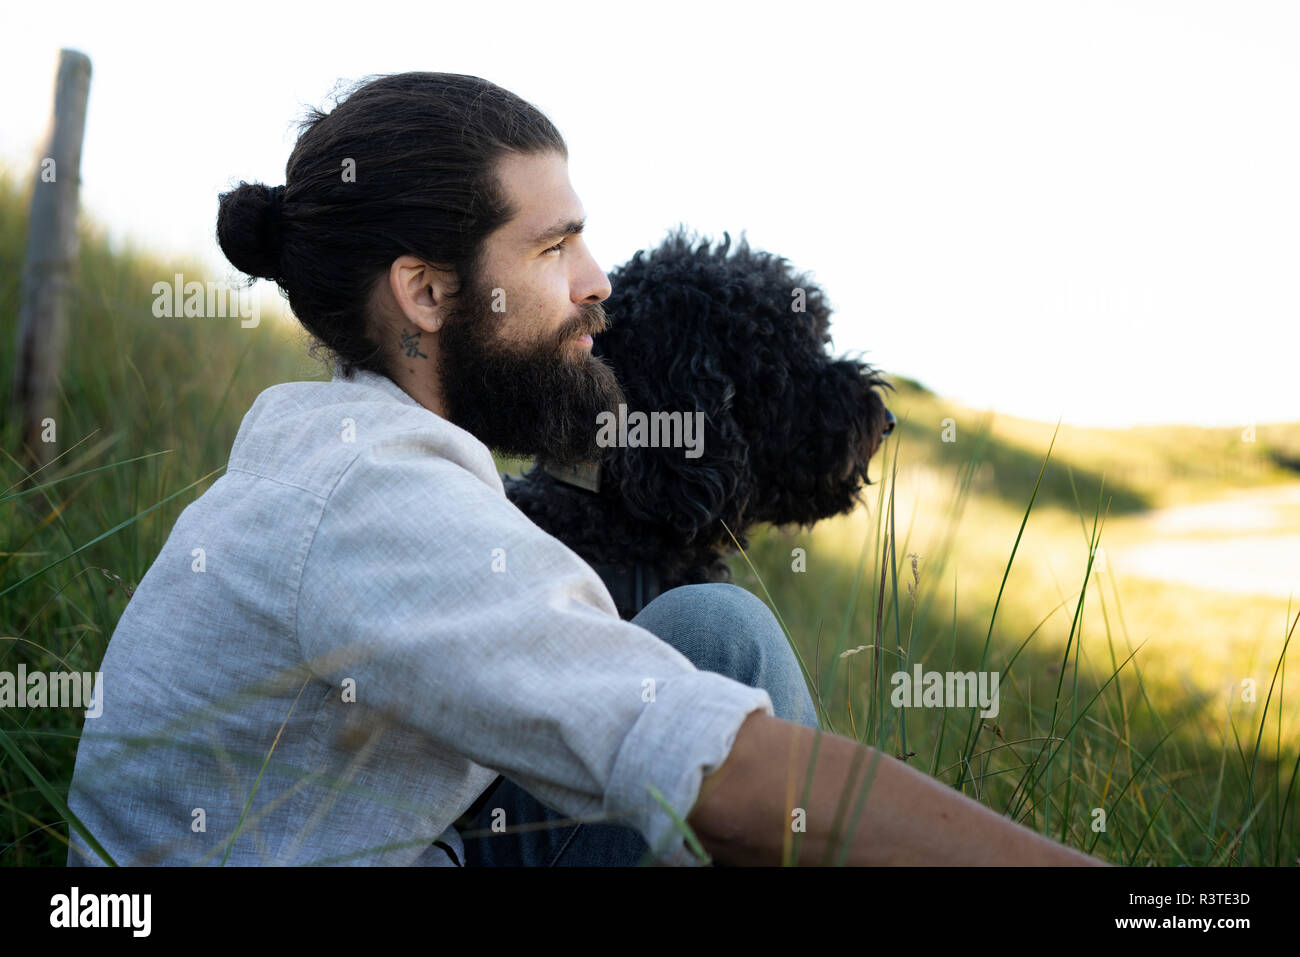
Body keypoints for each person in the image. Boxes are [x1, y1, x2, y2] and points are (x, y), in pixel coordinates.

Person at [65, 72, 1103, 867]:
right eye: (554, 248)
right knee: (717, 680)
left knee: (711, 631)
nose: (596, 286)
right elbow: (720, 769)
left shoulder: (356, 456)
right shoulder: (375, 501)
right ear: (427, 293)